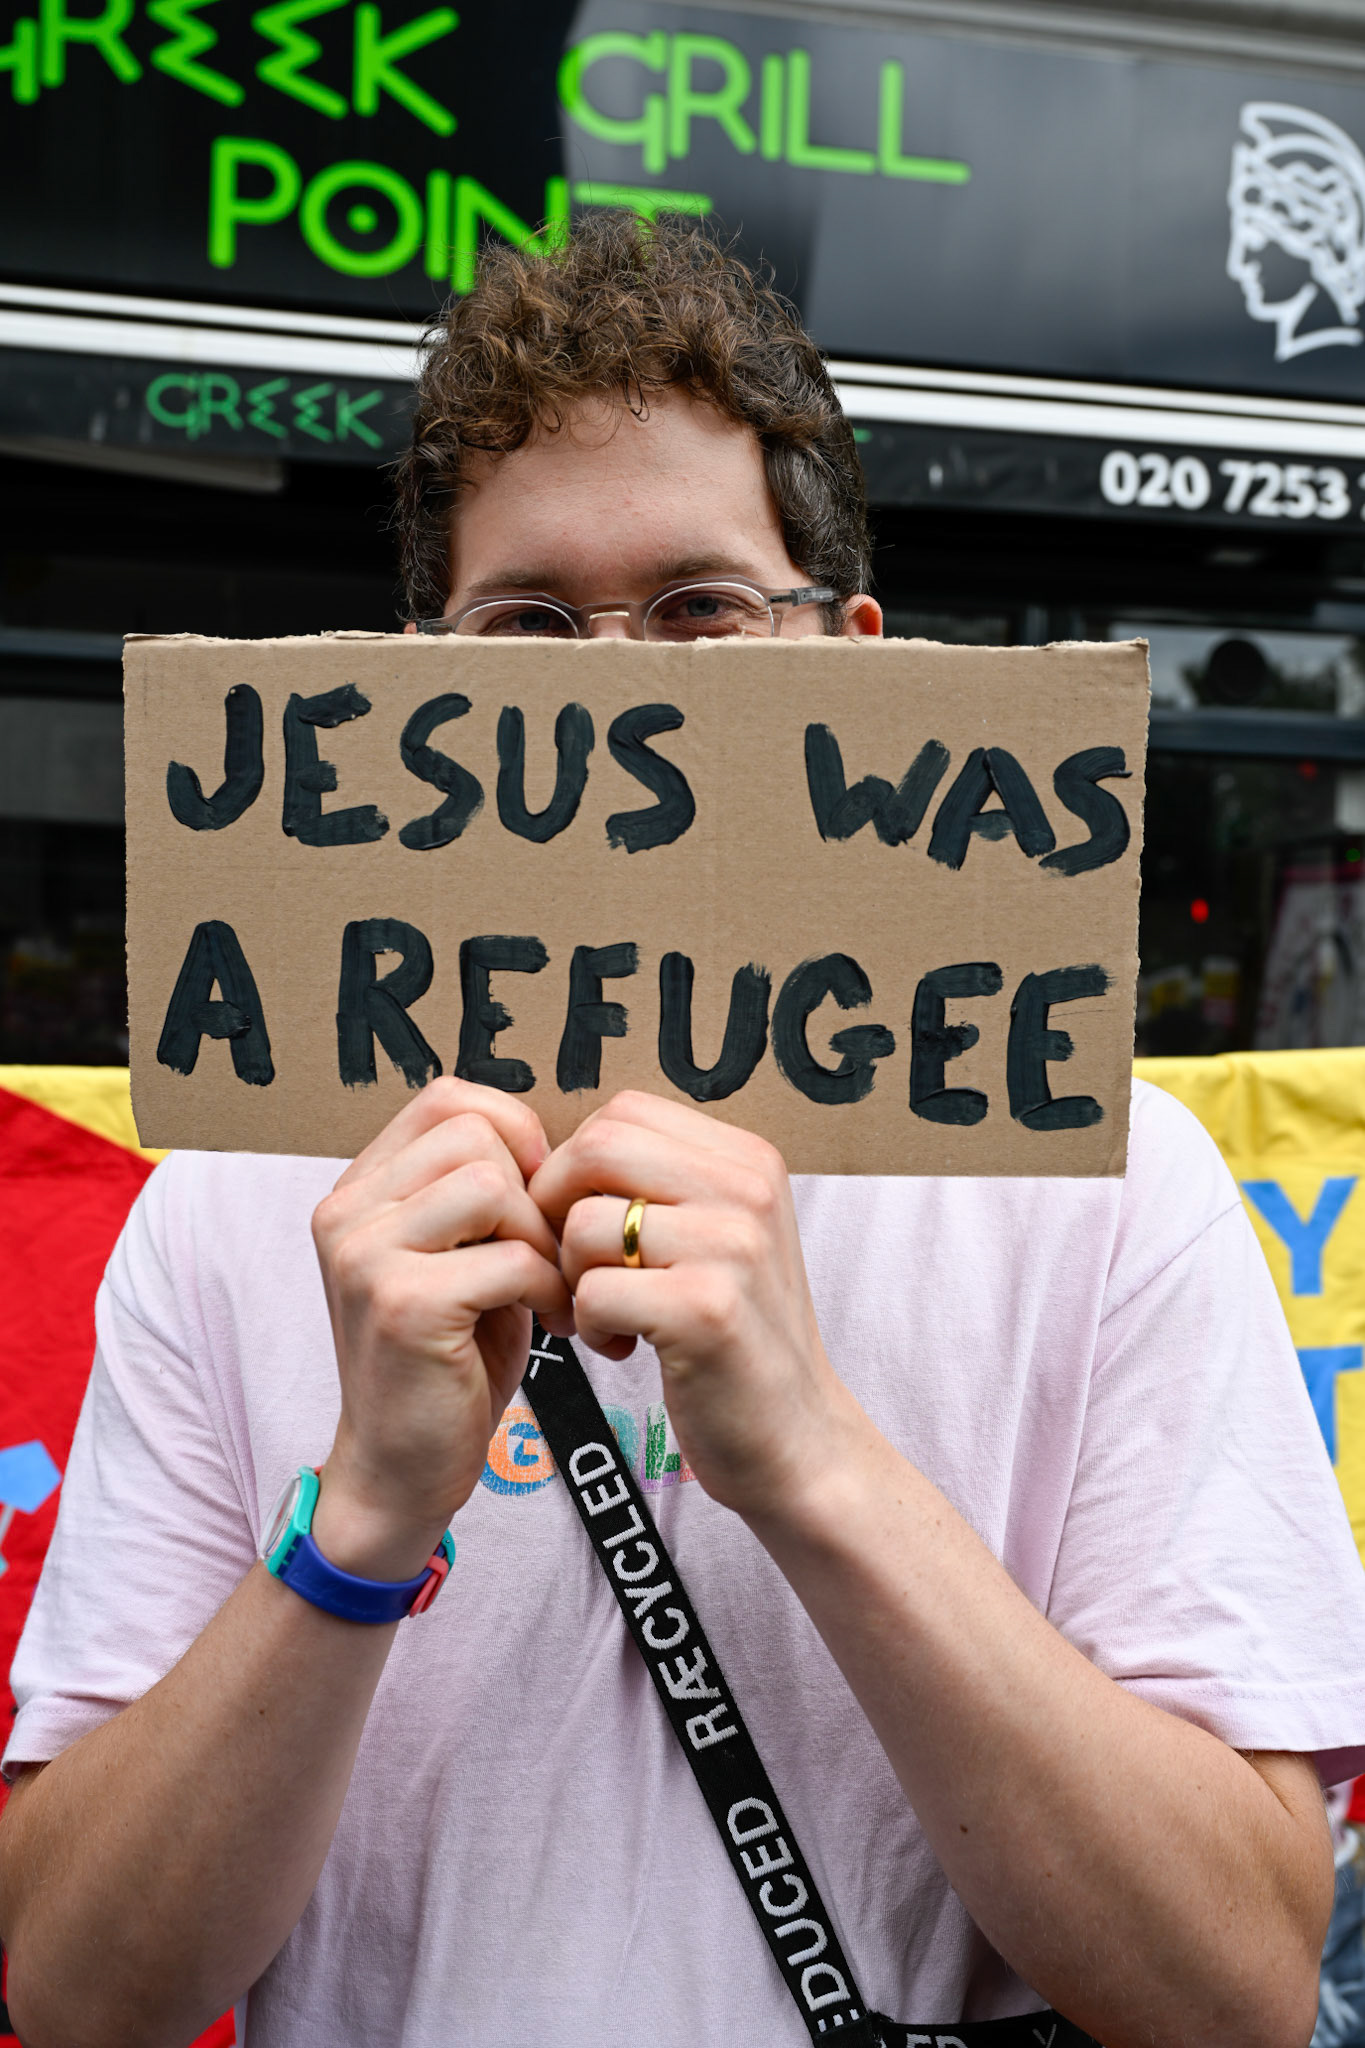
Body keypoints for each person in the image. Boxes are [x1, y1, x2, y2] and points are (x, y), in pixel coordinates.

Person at [2, 212, 1363, 2048]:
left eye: (704, 612)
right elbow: (83, 1993)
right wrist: (366, 1519)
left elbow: (1240, 1991)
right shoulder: (244, 1195)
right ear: (420, 678)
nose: (614, 686)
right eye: (527, 624)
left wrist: (812, 1460)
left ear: (852, 656)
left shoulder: (1104, 1177)